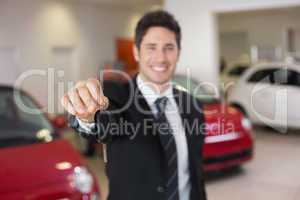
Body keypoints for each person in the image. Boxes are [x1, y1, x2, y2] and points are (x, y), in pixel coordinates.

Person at [61, 10, 207, 200]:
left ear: (178, 53)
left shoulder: (193, 105)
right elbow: (104, 120)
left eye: (169, 47)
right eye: (151, 47)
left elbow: (194, 171)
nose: (161, 58)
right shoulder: (116, 95)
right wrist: (87, 116)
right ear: (136, 52)